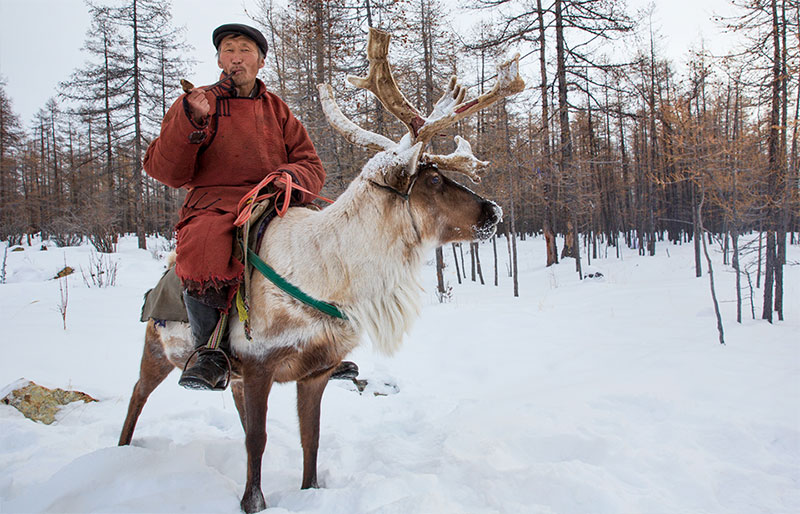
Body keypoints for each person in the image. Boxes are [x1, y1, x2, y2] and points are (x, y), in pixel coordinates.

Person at [143, 23, 326, 390]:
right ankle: (211, 352)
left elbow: (311, 165)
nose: (237, 58)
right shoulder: (195, 103)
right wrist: (191, 120)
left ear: (261, 62)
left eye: (245, 50)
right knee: (204, 243)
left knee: (318, 239)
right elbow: (166, 170)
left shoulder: (278, 110)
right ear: (219, 60)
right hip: (214, 202)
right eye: (229, 50)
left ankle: (319, 341)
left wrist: (289, 177)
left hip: (272, 199)